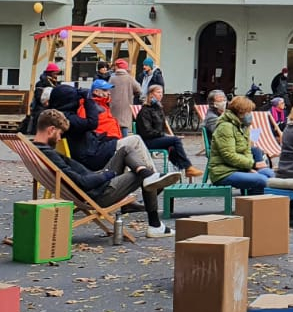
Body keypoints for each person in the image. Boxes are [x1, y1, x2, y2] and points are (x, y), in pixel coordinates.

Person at [31, 109, 180, 239]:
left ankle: (148, 175)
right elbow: (82, 182)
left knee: (126, 150)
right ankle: (154, 224)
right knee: (141, 174)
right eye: (59, 134)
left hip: (94, 184)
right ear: (51, 130)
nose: (59, 139)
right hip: (98, 193)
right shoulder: (48, 154)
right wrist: (108, 174)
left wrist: (105, 174)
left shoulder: (38, 151)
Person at [208, 97, 273, 193]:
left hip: (240, 168)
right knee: (262, 180)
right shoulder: (225, 127)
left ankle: (281, 205)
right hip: (223, 172)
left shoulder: (242, 126)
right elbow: (228, 155)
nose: (250, 115)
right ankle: (253, 205)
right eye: (248, 112)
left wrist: (249, 168)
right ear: (240, 112)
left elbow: (247, 150)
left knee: (271, 175)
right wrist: (252, 164)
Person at [136, 84, 201, 177]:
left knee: (174, 147)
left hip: (157, 138)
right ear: (151, 94)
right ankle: (188, 168)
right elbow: (147, 132)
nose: (161, 95)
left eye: (162, 93)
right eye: (158, 92)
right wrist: (164, 135)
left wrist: (165, 135)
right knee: (175, 140)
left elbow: (162, 126)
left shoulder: (158, 109)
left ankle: (178, 171)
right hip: (147, 141)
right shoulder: (144, 111)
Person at [110, 58, 141, 137]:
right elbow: (139, 90)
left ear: (117, 67)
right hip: (126, 107)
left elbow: (107, 92)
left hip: (113, 107)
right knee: (124, 128)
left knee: (114, 128)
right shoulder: (129, 78)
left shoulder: (112, 79)